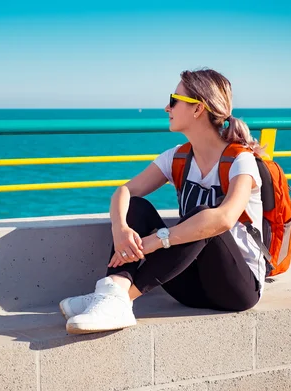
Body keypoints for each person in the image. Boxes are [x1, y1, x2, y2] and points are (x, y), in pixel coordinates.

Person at [59, 68, 266, 335]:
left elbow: (224, 218)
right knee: (136, 206)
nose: (166, 107)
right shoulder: (177, 157)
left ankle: (117, 297)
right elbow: (124, 191)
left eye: (174, 99)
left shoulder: (241, 160)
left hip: (237, 289)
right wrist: (120, 229)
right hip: (185, 285)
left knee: (205, 215)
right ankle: (115, 290)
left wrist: (157, 240)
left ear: (197, 109)